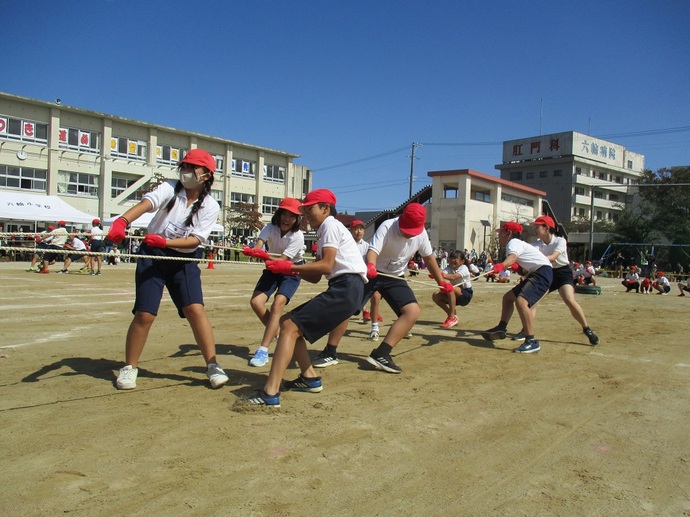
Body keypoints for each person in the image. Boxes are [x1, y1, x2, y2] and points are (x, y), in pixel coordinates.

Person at [106, 148, 229, 391]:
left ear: (206, 175)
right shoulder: (168, 188)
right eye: (184, 166)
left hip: (184, 259)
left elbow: (195, 241)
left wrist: (166, 242)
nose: (186, 172)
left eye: (192, 168)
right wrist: (122, 221)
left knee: (195, 309)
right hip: (153, 255)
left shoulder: (211, 206)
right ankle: (129, 368)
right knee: (145, 313)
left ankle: (213, 365)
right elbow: (145, 204)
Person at [248, 189, 367, 407]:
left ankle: (270, 392)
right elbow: (316, 276)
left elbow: (326, 265)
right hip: (347, 287)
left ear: (325, 208)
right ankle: (309, 377)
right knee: (288, 324)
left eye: (309, 209)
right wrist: (293, 269)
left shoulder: (330, 225)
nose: (306, 215)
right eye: (304, 211)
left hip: (346, 287)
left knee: (289, 326)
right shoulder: (325, 232)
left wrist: (289, 265)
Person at [309, 202, 452, 374]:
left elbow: (429, 259)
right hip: (372, 273)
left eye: (411, 231)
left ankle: (382, 353)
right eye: (405, 229)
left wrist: (441, 282)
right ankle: (330, 352)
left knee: (412, 311)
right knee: (347, 307)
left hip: (395, 277)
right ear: (401, 220)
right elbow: (373, 251)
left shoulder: (421, 234)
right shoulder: (388, 225)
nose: (408, 234)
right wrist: (370, 265)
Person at [514, 215, 598, 346]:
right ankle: (525, 331)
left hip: (562, 273)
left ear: (547, 228)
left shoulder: (560, 241)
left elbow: (553, 257)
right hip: (547, 273)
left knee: (569, 300)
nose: (535, 229)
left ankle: (587, 328)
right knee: (533, 302)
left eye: (538, 227)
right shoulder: (536, 244)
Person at [244, 197, 305, 368]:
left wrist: (263, 255)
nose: (286, 219)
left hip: (291, 271)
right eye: (283, 214)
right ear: (278, 214)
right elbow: (259, 244)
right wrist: (253, 251)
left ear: (297, 219)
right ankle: (276, 332)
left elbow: (284, 260)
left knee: (277, 305)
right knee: (256, 302)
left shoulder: (298, 236)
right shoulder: (270, 227)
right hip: (272, 269)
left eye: (291, 216)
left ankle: (263, 349)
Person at [481, 221, 553, 353]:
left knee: (521, 301)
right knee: (508, 298)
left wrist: (502, 266)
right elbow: (521, 270)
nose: (499, 236)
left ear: (508, 233)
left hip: (542, 273)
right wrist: (516, 268)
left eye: (501, 232)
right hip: (538, 272)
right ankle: (501, 327)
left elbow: (513, 257)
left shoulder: (513, 243)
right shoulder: (519, 244)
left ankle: (531, 340)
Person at [432, 249, 473, 328]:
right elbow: (443, 274)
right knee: (436, 296)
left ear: (462, 261)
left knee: (450, 288)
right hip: (454, 294)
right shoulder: (449, 268)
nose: (452, 260)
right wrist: (436, 274)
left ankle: (451, 317)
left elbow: (453, 277)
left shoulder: (464, 268)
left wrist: (440, 275)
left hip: (465, 295)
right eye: (451, 258)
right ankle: (452, 315)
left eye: (455, 258)